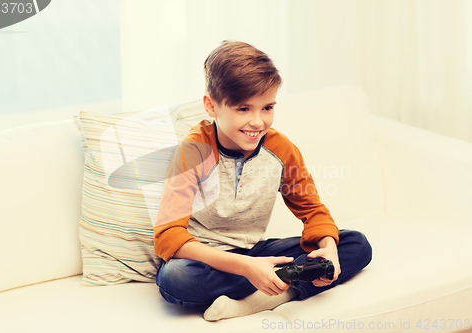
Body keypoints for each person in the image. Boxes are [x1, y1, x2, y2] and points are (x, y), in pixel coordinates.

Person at [153, 40, 372, 321]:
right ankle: (273, 281)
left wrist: (328, 247)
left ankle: (261, 298)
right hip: (204, 258)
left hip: (255, 251)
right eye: (243, 109)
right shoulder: (194, 151)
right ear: (211, 105)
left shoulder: (281, 149)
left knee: (355, 245)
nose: (257, 121)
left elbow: (313, 212)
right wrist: (246, 267)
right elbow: (168, 237)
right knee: (176, 278)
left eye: (267, 107)